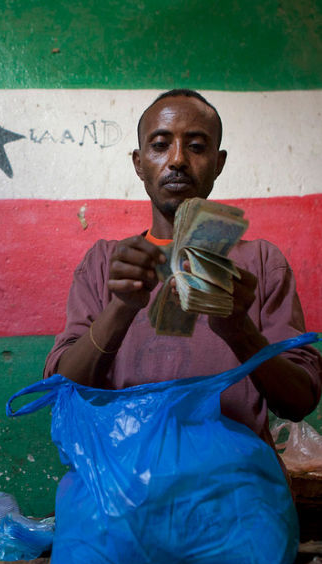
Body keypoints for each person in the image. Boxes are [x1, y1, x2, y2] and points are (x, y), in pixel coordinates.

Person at [44, 89, 322, 450]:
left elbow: (299, 402)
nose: (177, 159)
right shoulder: (105, 263)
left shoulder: (262, 264)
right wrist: (122, 306)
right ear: (139, 162)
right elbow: (61, 391)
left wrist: (239, 329)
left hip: (233, 487)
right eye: (160, 145)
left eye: (196, 146)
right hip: (127, 482)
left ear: (218, 163)